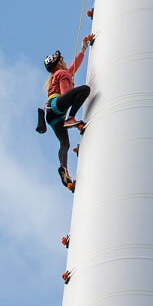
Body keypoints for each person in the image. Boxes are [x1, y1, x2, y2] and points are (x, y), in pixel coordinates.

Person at [36, 34, 93, 189]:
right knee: (85, 90)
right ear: (59, 62)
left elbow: (73, 67)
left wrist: (83, 50)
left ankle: (64, 170)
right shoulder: (62, 74)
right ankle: (71, 118)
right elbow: (66, 93)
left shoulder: (58, 74)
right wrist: (71, 107)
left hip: (52, 116)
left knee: (64, 143)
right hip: (57, 107)